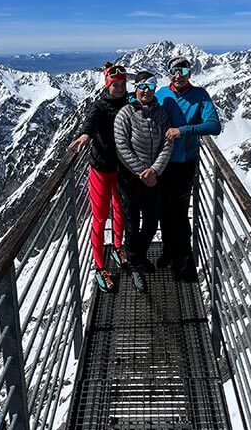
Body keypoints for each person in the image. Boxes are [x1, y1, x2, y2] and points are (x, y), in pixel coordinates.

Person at [155, 56, 222, 279]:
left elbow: (214, 126)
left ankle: (181, 256)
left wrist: (182, 131)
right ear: (168, 73)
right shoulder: (161, 94)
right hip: (161, 162)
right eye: (174, 70)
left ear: (190, 73)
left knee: (180, 212)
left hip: (184, 163)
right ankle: (168, 250)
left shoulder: (200, 95)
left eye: (183, 70)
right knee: (164, 209)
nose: (179, 74)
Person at [68, 63, 129, 292]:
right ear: (108, 85)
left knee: (120, 210)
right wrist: (85, 135)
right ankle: (100, 265)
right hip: (101, 169)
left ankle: (117, 246)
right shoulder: (99, 106)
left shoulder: (130, 104)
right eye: (116, 85)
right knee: (101, 216)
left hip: (122, 169)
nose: (120, 88)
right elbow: (90, 123)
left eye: (123, 84)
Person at [113, 71, 173, 293]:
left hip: (154, 177)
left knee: (151, 221)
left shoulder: (161, 114)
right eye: (141, 86)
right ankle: (135, 265)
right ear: (135, 88)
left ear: (155, 89)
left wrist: (155, 170)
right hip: (131, 179)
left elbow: (167, 144)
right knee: (131, 222)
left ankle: (139, 256)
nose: (145, 90)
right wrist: (143, 172)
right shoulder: (125, 114)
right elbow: (122, 146)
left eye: (150, 86)